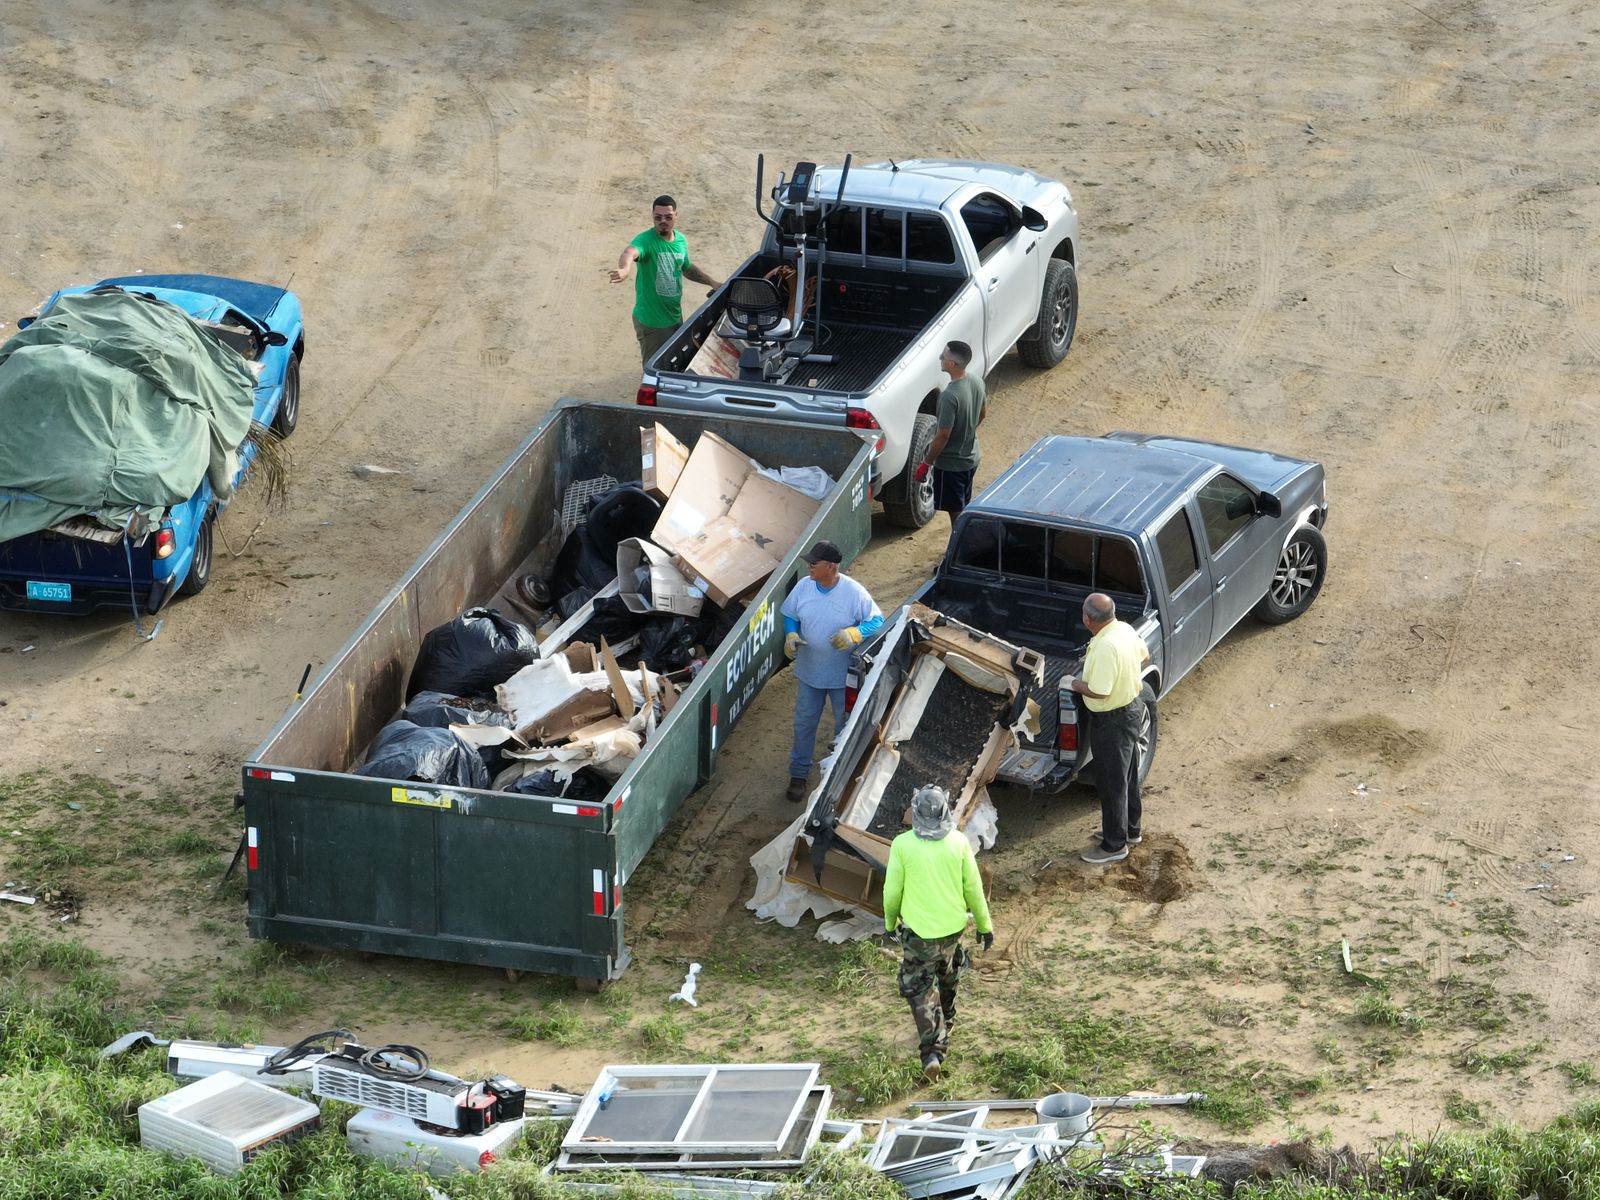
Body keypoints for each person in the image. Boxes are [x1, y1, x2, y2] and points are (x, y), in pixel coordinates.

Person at [882, 785, 994, 1080]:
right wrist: (985, 926)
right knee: (948, 972)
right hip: (952, 930)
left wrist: (889, 922)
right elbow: (973, 889)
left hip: (918, 933)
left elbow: (892, 890)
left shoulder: (902, 845)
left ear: (916, 813)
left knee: (918, 988)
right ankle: (949, 1021)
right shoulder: (958, 843)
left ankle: (932, 1051)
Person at [780, 540, 883, 803]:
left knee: (844, 727)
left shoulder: (853, 592)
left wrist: (856, 632)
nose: (809, 567)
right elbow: (790, 614)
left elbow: (877, 620)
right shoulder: (804, 587)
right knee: (804, 724)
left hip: (841, 678)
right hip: (810, 673)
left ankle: (836, 777)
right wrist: (791, 632)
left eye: (814, 563)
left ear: (831, 566)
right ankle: (799, 775)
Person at [1067, 592, 1152, 864]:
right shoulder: (1125, 629)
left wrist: (1073, 683)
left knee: (1111, 782)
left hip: (1112, 720)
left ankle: (1115, 845)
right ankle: (1131, 830)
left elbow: (1099, 691)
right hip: (1132, 709)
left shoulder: (1105, 647)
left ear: (1088, 619)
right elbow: (1145, 656)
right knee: (1126, 774)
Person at [608, 194, 721, 367]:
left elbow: (687, 268)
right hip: (652, 323)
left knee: (674, 362)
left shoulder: (681, 240)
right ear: (652, 217)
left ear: (676, 216)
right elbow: (629, 252)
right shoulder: (645, 241)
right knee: (654, 370)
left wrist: (712, 282)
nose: (663, 221)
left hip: (674, 318)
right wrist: (625, 269)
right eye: (658, 217)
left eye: (668, 217)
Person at [915, 340, 988, 523]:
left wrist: (926, 463)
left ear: (952, 364)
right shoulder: (977, 381)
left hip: (952, 465)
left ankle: (961, 547)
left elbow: (943, 435)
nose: (940, 358)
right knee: (963, 502)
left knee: (956, 512)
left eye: (944, 357)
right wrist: (966, 431)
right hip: (971, 457)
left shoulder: (949, 396)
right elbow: (983, 414)